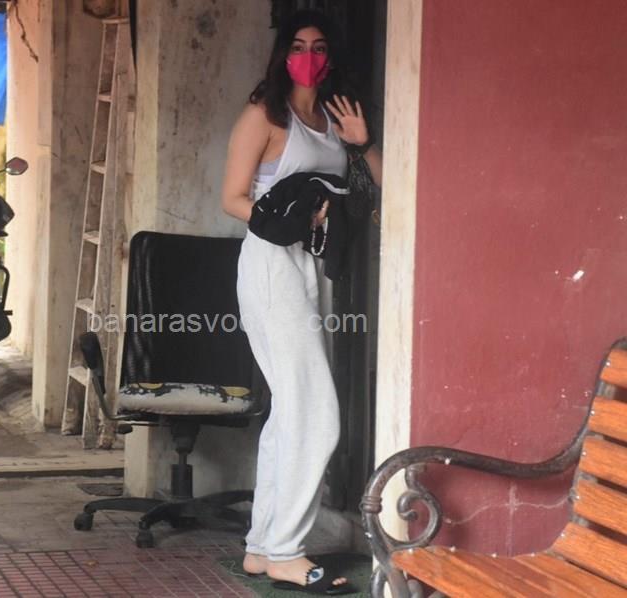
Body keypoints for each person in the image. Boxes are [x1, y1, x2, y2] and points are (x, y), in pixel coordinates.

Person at [221, 9, 381, 595]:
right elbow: (232, 198)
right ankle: (287, 551)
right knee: (316, 415)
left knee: (291, 413)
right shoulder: (264, 115)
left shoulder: (337, 120)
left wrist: (362, 144)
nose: (307, 57)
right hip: (271, 265)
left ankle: (263, 547)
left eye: (317, 47)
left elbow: (378, 190)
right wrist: (292, 222)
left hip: (313, 269)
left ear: (330, 56)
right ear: (282, 54)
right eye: (297, 46)